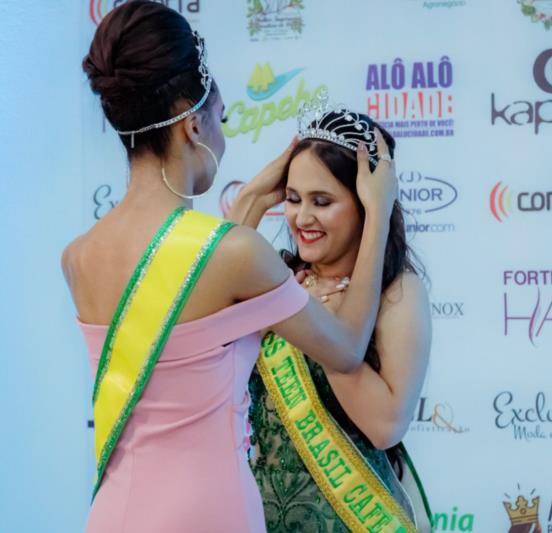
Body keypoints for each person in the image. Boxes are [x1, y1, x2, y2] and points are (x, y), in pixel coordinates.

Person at [61, 3, 395, 532]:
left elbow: (198, 286)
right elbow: (348, 346)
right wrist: (377, 211)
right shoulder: (233, 254)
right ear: (193, 125)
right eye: (220, 118)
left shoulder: (77, 257)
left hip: (113, 514)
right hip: (209, 512)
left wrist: (254, 204)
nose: (223, 134)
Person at [233, 96, 433, 532]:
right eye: (292, 198)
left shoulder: (398, 292)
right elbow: (200, 301)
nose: (301, 217)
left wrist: (328, 331)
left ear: (363, 205)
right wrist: (250, 198)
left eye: (322, 201)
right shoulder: (277, 279)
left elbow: (384, 426)